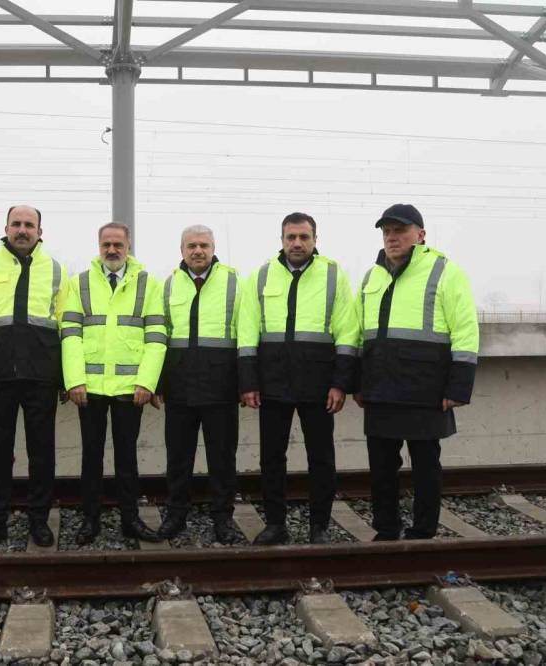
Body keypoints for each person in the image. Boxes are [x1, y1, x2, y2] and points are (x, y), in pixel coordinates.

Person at [354, 203, 479, 540]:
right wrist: (357, 383)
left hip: (426, 387)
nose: (392, 238)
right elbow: (358, 333)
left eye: (401, 231)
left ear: (420, 235)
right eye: (387, 232)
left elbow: (466, 331)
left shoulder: (444, 272)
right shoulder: (372, 276)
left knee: (425, 466)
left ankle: (424, 531)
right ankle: (386, 529)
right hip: (380, 387)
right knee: (381, 467)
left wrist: (458, 387)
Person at [238, 212, 359, 545]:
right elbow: (247, 329)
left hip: (318, 383)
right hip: (272, 382)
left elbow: (347, 331)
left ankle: (319, 526)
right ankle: (276, 524)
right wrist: (248, 382)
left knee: (321, 457)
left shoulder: (334, 275)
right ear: (281, 240)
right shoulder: (261, 276)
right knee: (271, 458)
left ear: (315, 240)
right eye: (291, 237)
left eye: (304, 237)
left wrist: (340, 383)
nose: (297, 243)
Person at [0, 205, 67, 550]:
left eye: (29, 225)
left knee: (42, 451)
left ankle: (39, 519)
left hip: (41, 375)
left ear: (41, 231)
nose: (22, 230)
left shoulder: (55, 269)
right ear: (6, 227)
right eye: (17, 224)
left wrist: (65, 376)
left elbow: (65, 325)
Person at [61, 222, 167, 544]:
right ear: (98, 245)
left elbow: (157, 338)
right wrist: (75, 380)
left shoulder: (148, 284)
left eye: (118, 244)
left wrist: (147, 382)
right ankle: (90, 520)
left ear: (128, 246)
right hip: (89, 388)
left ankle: (130, 520)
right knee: (91, 457)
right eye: (106, 244)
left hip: (129, 389)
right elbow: (70, 334)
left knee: (127, 459)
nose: (112, 250)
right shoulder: (79, 283)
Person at [155, 225, 243, 544]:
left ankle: (223, 519)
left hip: (221, 386)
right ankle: (176, 515)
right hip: (179, 387)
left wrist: (244, 382)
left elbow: (244, 333)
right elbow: (160, 337)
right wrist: (158, 383)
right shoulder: (168, 285)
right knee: (178, 457)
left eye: (204, 245)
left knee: (222, 458)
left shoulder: (234, 282)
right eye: (191, 245)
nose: (198, 251)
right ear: (181, 250)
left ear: (213, 248)